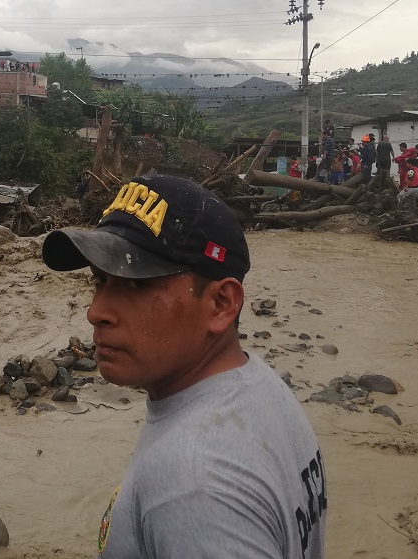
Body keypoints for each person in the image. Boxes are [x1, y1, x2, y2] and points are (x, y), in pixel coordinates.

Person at [42, 175, 326, 559]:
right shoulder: (259, 384)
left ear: (221, 304)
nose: (96, 313)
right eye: (100, 281)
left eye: (136, 284)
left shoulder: (195, 484)